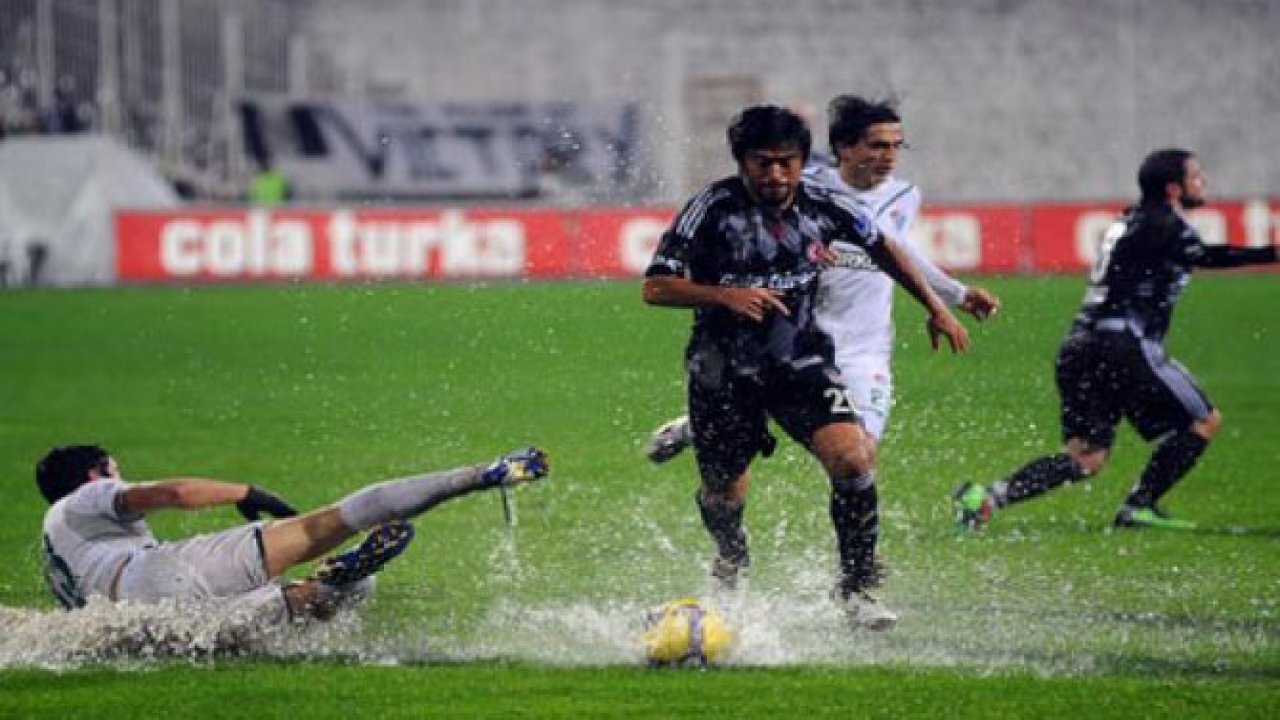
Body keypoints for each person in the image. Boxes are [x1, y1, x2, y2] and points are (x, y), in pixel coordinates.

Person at [641, 105, 970, 630]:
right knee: (724, 494)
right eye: (762, 163)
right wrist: (725, 296)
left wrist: (936, 306)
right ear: (742, 162)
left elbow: (885, 249)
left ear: (802, 161)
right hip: (722, 370)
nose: (775, 174)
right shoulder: (711, 208)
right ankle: (731, 555)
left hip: (799, 359)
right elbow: (655, 287)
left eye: (786, 162)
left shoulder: (825, 203)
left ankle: (858, 587)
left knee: (853, 459)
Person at [647, 95, 1000, 484]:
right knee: (743, 452)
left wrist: (952, 296)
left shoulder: (903, 197)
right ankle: (702, 426)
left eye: (896, 146)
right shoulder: (803, 188)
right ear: (844, 148)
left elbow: (896, 249)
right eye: (877, 145)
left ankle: (860, 529)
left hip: (863, 347)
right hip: (804, 333)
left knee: (858, 457)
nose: (888, 156)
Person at [953, 149, 1278, 531]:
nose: (1202, 182)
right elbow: (1207, 256)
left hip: (1080, 343)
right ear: (1174, 188)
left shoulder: (1129, 219)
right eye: (1195, 176)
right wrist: (1271, 252)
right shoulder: (1164, 223)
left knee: (1085, 458)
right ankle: (1139, 505)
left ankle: (986, 498)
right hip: (1123, 343)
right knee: (1203, 420)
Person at [37, 443, 549, 629]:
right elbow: (171, 493)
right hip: (152, 573)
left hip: (140, 618)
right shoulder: (86, 497)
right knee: (327, 522)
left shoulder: (56, 545)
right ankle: (479, 475)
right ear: (95, 474)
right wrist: (247, 491)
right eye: (114, 469)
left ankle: (326, 585)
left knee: (310, 605)